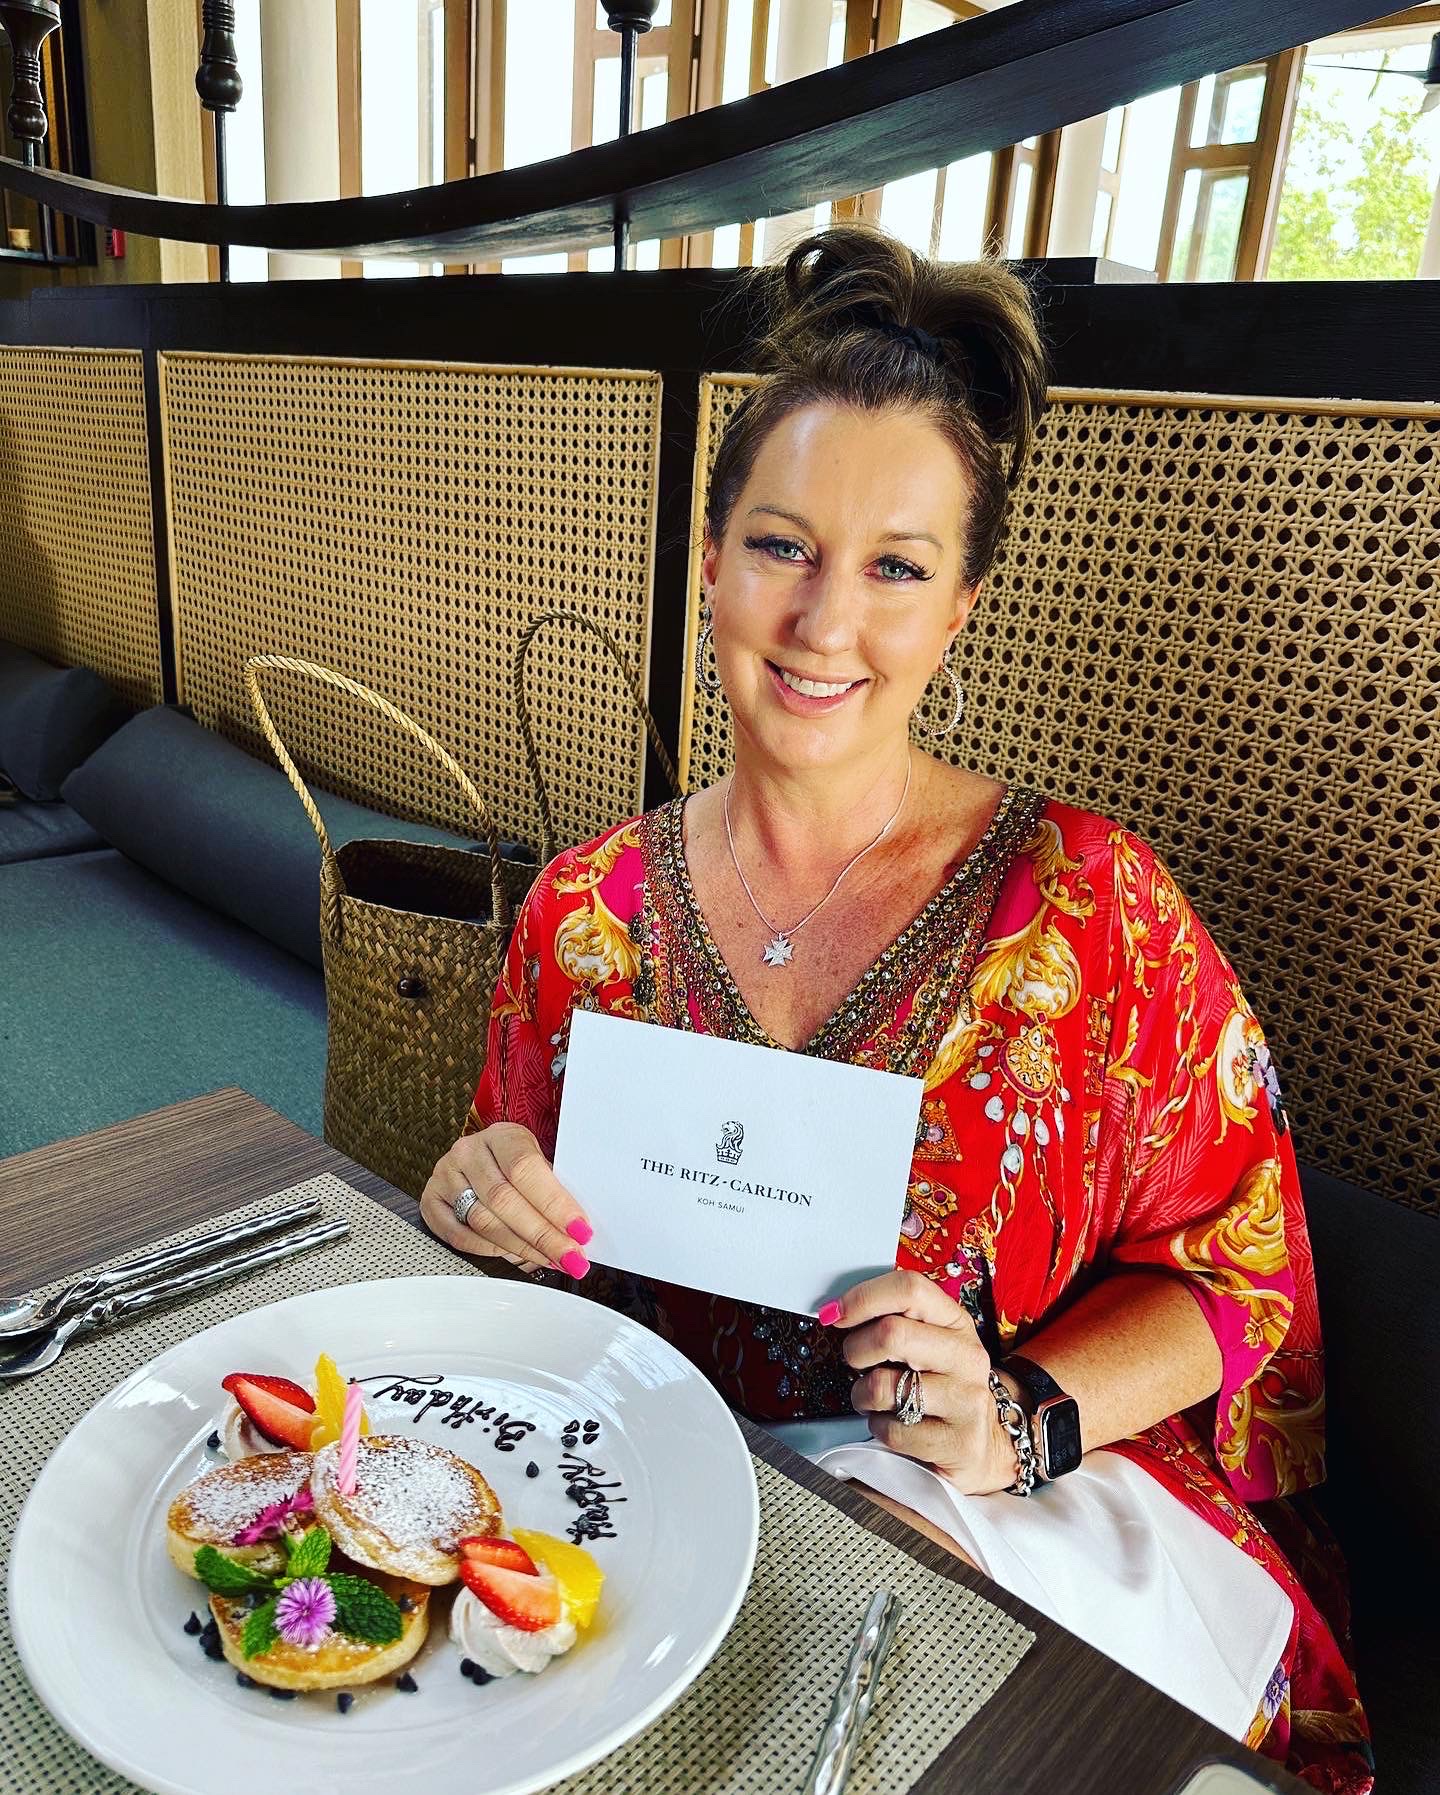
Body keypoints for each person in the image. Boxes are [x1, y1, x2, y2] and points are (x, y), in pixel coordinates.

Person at [421, 223, 1370, 1791]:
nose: (825, 622)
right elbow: (521, 1228)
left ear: (960, 608)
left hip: (1009, 1538)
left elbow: (1242, 1278)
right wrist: (471, 1194)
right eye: (784, 546)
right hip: (658, 1524)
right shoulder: (579, 915)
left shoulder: (1093, 910)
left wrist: (1023, 1413)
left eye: (896, 569)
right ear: (709, 555)